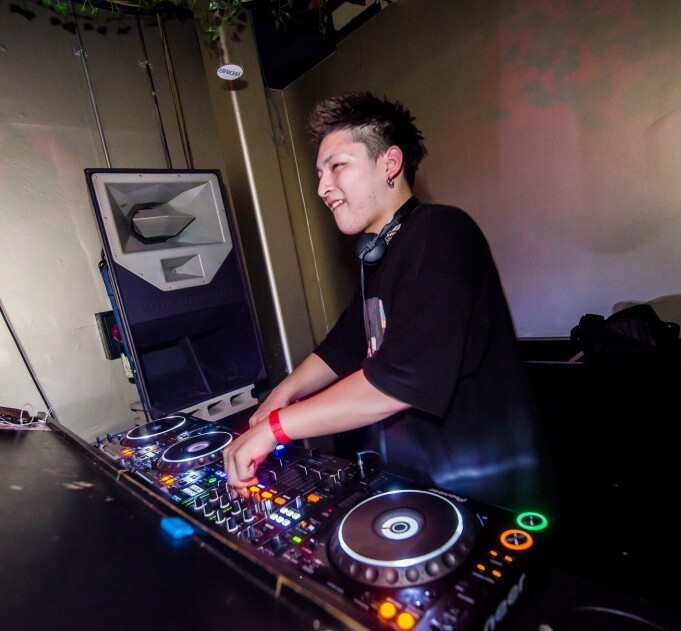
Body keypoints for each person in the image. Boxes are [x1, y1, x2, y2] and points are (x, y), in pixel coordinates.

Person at [222, 91, 554, 512]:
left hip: (489, 495)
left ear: (390, 163)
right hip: (424, 486)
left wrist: (275, 428)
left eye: (337, 166)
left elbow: (399, 380)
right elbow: (341, 347)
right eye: (319, 174)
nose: (323, 187)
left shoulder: (441, 233)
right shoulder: (380, 257)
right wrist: (280, 395)